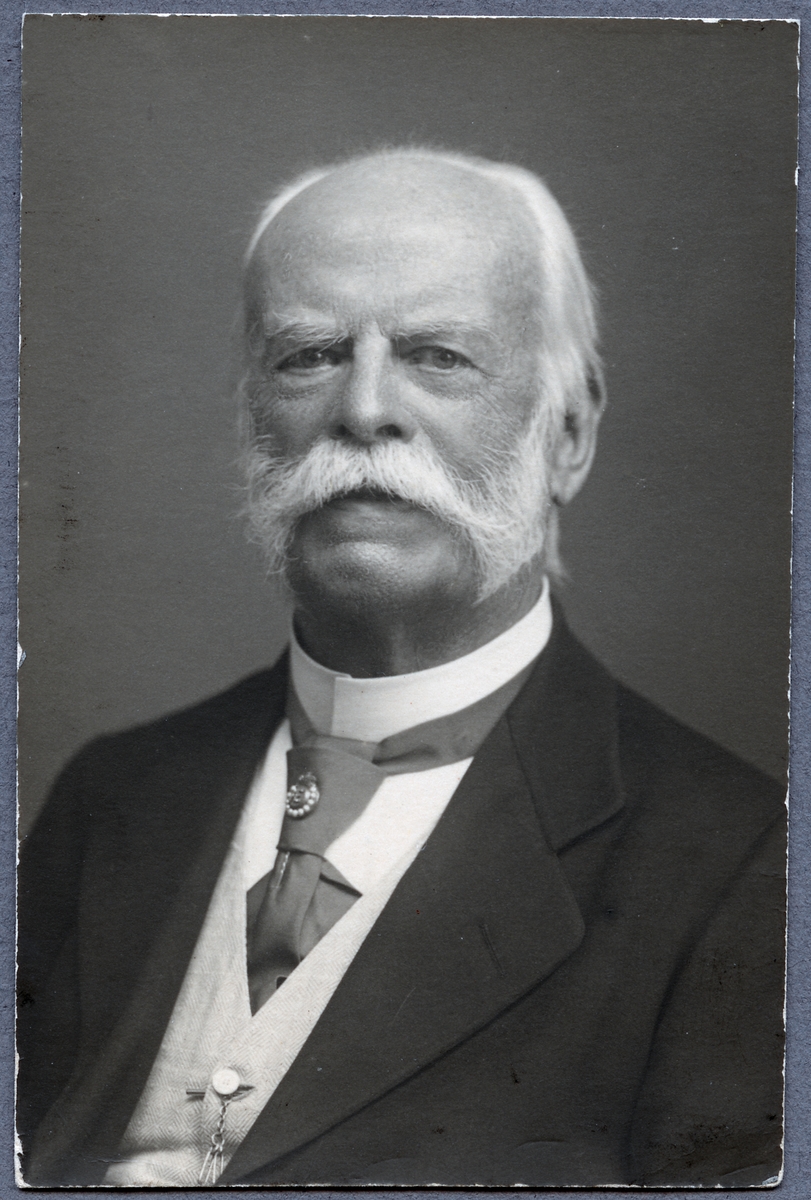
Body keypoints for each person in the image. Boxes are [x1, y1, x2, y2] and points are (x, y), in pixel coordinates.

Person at [17, 148, 786, 1189]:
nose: (364, 408)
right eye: (309, 355)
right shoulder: (112, 795)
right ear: (250, 417)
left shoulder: (744, 865)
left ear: (568, 433)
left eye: (437, 356)